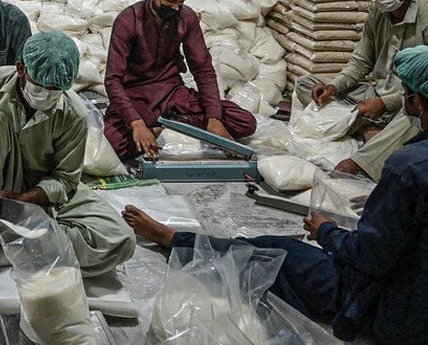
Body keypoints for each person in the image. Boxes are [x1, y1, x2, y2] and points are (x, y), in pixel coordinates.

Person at [121, 44, 428, 345]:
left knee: (277, 251)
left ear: (418, 100)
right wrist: (385, 201)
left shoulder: (407, 167)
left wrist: (327, 231)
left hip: (395, 308)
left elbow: (370, 258)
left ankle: (175, 240)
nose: (403, 99)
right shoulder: (410, 169)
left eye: (405, 92)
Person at [0, 31, 135, 277]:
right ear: (21, 68)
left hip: (36, 188)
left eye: (55, 90)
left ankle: (4, 234)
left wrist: (23, 203)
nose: (46, 95)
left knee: (119, 240)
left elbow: (65, 179)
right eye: (40, 86)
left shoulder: (74, 113)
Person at [293, 0, 428, 181]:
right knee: (307, 85)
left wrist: (385, 103)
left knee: (415, 119)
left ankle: (361, 161)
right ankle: (368, 130)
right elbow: (361, 60)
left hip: (409, 101)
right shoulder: (377, 15)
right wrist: (334, 87)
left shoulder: (425, 19)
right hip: (375, 92)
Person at [103, 0, 257, 161]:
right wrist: (136, 123)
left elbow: (203, 70)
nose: (175, 8)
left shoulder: (187, 18)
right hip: (137, 97)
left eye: (181, 2)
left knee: (244, 122)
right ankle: (165, 126)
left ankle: (165, 125)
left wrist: (214, 118)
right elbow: (112, 80)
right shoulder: (128, 21)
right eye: (170, 1)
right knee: (112, 144)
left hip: (173, 95)